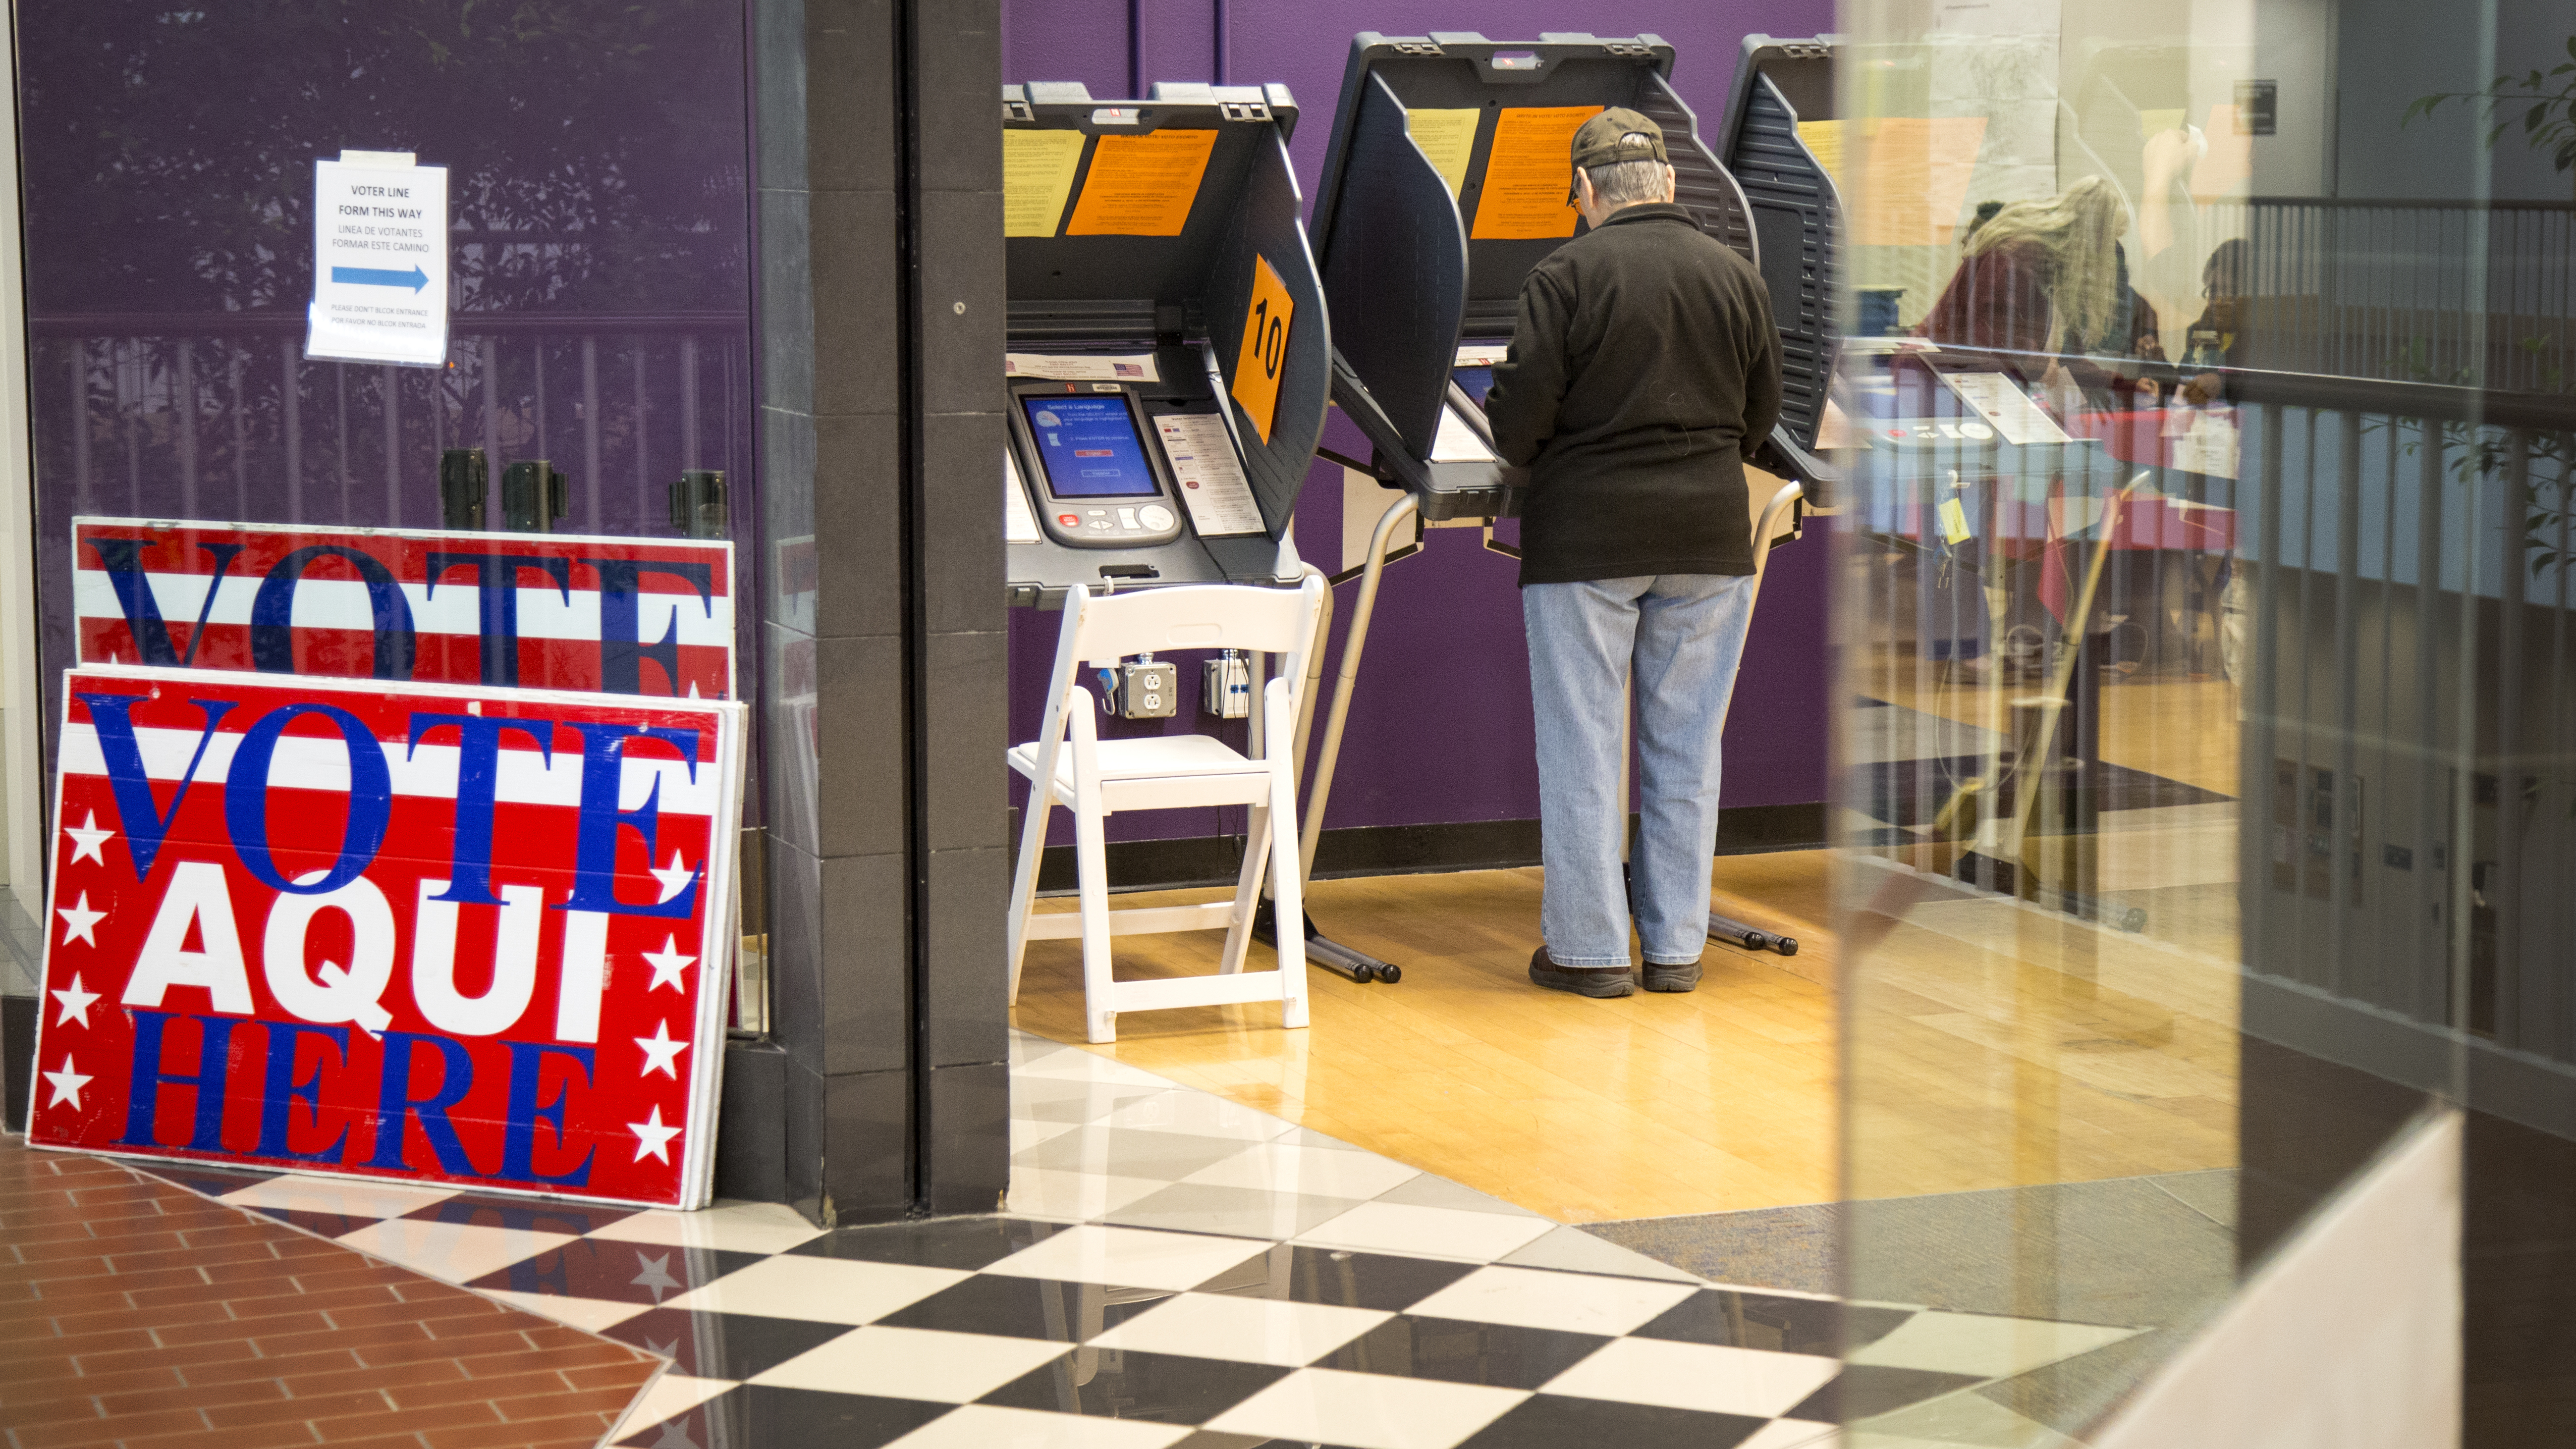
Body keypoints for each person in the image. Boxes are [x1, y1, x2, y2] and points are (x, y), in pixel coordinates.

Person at [1483, 109, 1782, 999]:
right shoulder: (1736, 276)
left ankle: (1589, 952)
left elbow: (1521, 417)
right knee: (1686, 748)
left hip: (1587, 540)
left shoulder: (1564, 275)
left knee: (1583, 746)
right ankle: (1677, 947)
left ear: (1582, 193)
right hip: (1708, 539)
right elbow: (1760, 419)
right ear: (1671, 183)